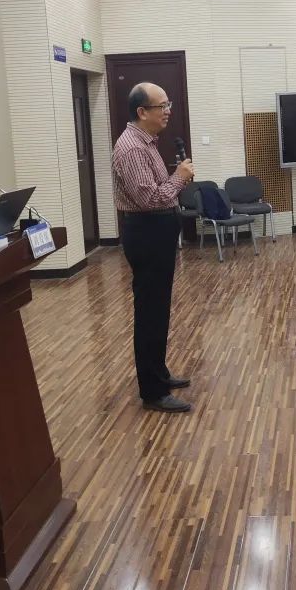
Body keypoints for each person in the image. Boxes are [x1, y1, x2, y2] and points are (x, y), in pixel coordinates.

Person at [112, 82, 196, 413]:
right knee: (150, 313)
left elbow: (158, 190)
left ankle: (159, 374)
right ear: (142, 111)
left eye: (168, 104)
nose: (168, 111)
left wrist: (175, 179)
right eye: (162, 106)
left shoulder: (146, 142)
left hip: (157, 231)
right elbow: (150, 198)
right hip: (147, 232)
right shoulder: (132, 149)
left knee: (158, 310)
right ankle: (153, 392)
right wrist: (180, 177)